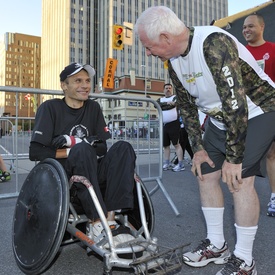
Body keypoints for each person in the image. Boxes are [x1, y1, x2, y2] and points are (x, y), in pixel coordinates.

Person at [135, 6, 275, 275]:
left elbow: (235, 105)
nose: (148, 53)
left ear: (165, 37)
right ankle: (217, 245)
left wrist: (234, 159)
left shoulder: (213, 43)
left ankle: (245, 261)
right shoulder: (173, 60)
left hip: (258, 110)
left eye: (149, 46)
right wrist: (197, 149)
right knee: (205, 172)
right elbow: (186, 107)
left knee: (238, 179)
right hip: (222, 116)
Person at [29, 62, 136, 247]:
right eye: (78, 81)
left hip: (92, 171)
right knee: (83, 151)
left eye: (87, 80)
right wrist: (76, 150)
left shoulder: (93, 108)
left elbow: (102, 148)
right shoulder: (50, 108)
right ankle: (96, 223)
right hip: (65, 179)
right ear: (64, 85)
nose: (85, 85)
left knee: (123, 148)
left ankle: (110, 218)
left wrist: (76, 141)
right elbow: (36, 152)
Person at [243, 13, 275, 217]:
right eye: (244, 27)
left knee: (272, 153)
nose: (246, 30)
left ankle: (274, 197)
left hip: (270, 110)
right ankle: (245, 197)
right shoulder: (239, 53)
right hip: (247, 112)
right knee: (247, 157)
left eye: (250, 26)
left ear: (262, 27)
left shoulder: (272, 50)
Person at [156, 83, 184, 172]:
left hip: (174, 124)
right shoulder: (160, 99)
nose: (168, 89)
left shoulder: (175, 97)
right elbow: (157, 105)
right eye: (166, 88)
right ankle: (167, 163)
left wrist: (169, 105)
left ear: (172, 90)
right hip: (164, 125)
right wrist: (168, 104)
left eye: (169, 88)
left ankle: (180, 164)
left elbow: (174, 105)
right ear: (163, 90)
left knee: (176, 144)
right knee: (166, 145)